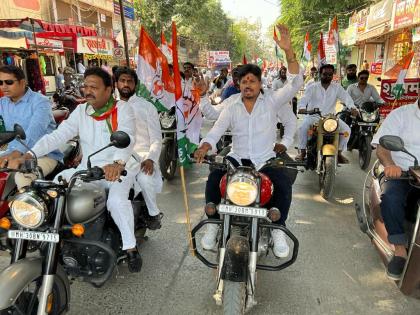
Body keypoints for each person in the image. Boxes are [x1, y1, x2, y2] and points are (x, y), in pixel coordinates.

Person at [194, 24, 303, 258]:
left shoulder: (273, 101)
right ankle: (213, 223)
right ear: (239, 84)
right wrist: (205, 145)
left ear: (260, 84)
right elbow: (216, 130)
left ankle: (278, 227)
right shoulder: (232, 105)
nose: (248, 85)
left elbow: (294, 83)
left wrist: (289, 52)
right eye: (244, 82)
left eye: (252, 81)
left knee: (283, 184)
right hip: (236, 160)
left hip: (265, 160)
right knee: (214, 178)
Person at [20, 67, 141, 272]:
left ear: (109, 89)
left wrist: (117, 164)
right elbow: (58, 136)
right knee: (55, 186)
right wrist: (30, 154)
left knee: (116, 201)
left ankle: (130, 247)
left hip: (120, 168)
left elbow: (127, 135)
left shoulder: (123, 109)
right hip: (88, 168)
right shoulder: (82, 111)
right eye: (85, 86)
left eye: (94, 87)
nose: (88, 91)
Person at [371, 98, 420, 280]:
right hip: (402, 173)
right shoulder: (401, 115)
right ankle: (400, 250)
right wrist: (390, 165)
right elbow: (382, 149)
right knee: (391, 198)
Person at [115, 67, 163, 229]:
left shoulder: (147, 107)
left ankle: (153, 214)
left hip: (142, 157)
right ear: (116, 83)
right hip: (116, 158)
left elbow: (157, 139)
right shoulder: (111, 107)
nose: (126, 84)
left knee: (145, 178)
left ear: (135, 84)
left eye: (129, 81)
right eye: (122, 80)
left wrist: (150, 158)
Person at [0, 65, 62, 189]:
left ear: (22, 82)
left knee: (22, 178)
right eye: (0, 82)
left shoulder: (40, 101)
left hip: (43, 154)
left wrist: (16, 154)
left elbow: (34, 132)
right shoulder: (3, 102)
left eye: (9, 82)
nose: (4, 86)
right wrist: (11, 154)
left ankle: (28, 208)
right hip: (11, 152)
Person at [296, 64, 358, 164]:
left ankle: (339, 152)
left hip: (331, 118)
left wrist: (352, 108)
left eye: (330, 74)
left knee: (347, 131)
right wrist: (302, 108)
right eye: (325, 74)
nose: (327, 77)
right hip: (314, 116)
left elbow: (346, 98)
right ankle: (302, 151)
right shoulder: (312, 87)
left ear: (332, 75)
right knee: (303, 128)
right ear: (320, 74)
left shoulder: (337, 88)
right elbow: (304, 100)